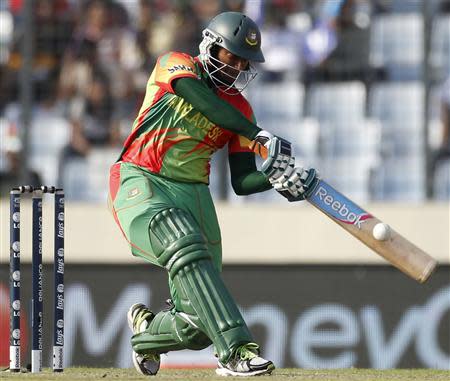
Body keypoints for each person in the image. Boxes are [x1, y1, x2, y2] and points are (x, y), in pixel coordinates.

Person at [108, 11, 319, 377]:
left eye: (243, 62)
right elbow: (204, 103)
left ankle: (146, 331)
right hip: (142, 179)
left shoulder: (241, 110)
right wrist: (257, 134)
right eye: (230, 56)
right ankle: (236, 352)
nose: (236, 67)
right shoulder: (174, 65)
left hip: (194, 195)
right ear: (210, 46)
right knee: (179, 235)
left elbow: (242, 181)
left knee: (194, 326)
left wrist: (278, 180)